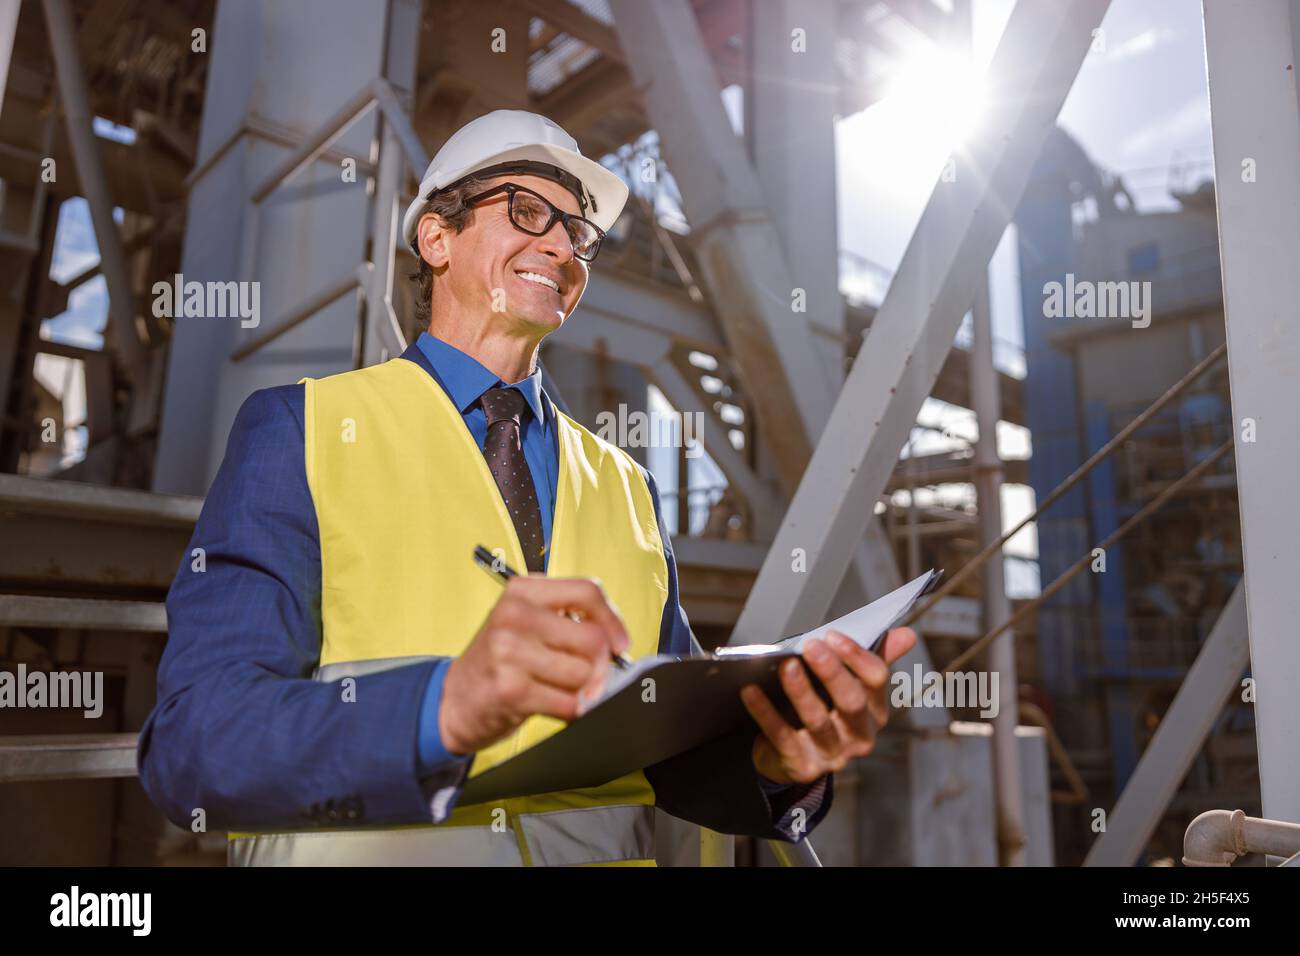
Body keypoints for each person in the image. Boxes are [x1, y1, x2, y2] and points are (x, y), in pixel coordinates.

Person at [138, 109, 917, 866]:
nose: (562, 246)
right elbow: (195, 743)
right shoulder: (302, 429)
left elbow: (672, 754)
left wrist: (781, 760)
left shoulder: (627, 486)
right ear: (435, 237)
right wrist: (443, 706)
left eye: (577, 233)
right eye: (526, 210)